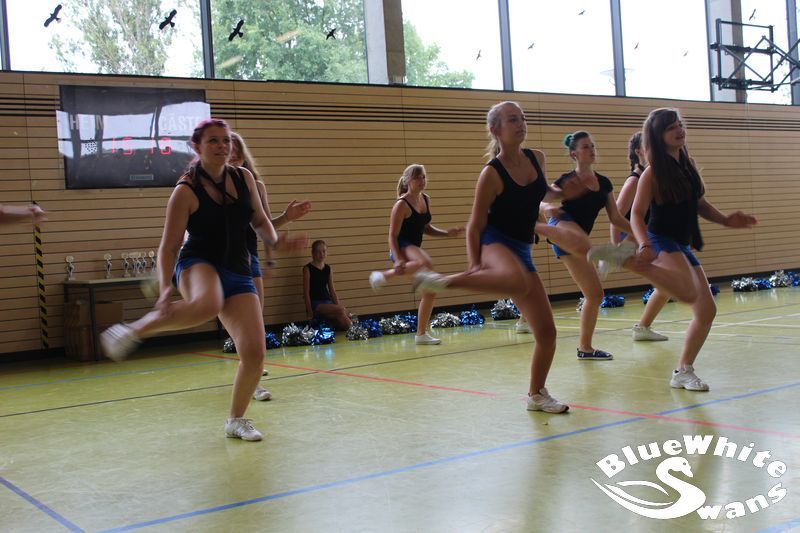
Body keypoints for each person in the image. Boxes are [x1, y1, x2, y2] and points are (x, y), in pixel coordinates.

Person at [100, 118, 306, 441]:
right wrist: (165, 288)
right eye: (213, 141)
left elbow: (259, 221)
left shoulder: (244, 178)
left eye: (226, 140)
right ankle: (132, 330)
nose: (222, 146)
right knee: (208, 303)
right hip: (196, 262)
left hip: (237, 268)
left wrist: (278, 242)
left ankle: (236, 420)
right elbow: (169, 246)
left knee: (254, 353)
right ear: (197, 146)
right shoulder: (185, 191)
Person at [412, 101, 601, 413]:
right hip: (494, 241)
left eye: (523, 118)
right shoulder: (491, 173)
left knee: (547, 332)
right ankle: (443, 281)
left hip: (522, 248)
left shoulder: (537, 157)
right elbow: (475, 224)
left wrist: (565, 192)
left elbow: (543, 193)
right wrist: (475, 265)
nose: (521, 123)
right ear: (495, 129)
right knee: (514, 279)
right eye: (513, 119)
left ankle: (536, 395)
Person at [623, 108, 756, 391]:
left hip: (681, 243)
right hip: (660, 238)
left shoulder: (688, 165)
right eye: (671, 127)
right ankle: (638, 263)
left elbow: (700, 204)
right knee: (685, 289)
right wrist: (645, 244)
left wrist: (726, 220)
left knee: (706, 311)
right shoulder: (652, 173)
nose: (679, 130)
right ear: (658, 136)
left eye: (680, 125)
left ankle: (683, 370)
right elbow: (636, 214)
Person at [229, 132, 311, 401]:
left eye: (237, 153)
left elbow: (264, 226)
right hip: (224, 259)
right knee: (240, 324)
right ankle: (250, 375)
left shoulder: (255, 185)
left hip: (249, 257)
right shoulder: (213, 187)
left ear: (243, 156)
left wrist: (286, 218)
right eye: (228, 152)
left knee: (256, 320)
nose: (232, 157)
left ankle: (253, 375)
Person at [543, 131, 633, 361]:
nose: (591, 150)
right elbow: (542, 199)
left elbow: (616, 218)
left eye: (592, 146)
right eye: (585, 147)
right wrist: (547, 208)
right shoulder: (566, 180)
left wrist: (640, 233)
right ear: (574, 154)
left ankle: (585, 348)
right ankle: (604, 256)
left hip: (581, 241)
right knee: (582, 242)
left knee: (595, 294)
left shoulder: (604, 183)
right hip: (561, 226)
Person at [368, 164, 464, 345]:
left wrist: (446, 233)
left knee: (431, 291)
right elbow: (392, 236)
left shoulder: (425, 199)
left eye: (423, 177)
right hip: (401, 247)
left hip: (413, 252)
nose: (422, 181)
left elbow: (426, 228)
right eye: (417, 177)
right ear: (407, 181)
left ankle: (421, 334)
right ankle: (383, 275)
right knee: (426, 262)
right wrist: (398, 260)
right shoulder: (401, 205)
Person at [612, 132, 670, 342]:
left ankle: (643, 327)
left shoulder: (650, 176)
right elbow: (615, 215)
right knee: (668, 281)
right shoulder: (634, 181)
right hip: (635, 240)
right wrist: (616, 246)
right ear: (639, 152)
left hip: (647, 237)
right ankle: (642, 327)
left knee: (667, 284)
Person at [303, 240, 352, 330]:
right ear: (313, 253)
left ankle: (348, 328)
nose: (321, 254)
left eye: (324, 251)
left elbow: (332, 291)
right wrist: (309, 313)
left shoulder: (328, 269)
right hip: (316, 303)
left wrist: (338, 306)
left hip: (327, 302)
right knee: (342, 310)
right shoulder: (307, 269)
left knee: (346, 320)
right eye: (318, 252)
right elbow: (306, 292)